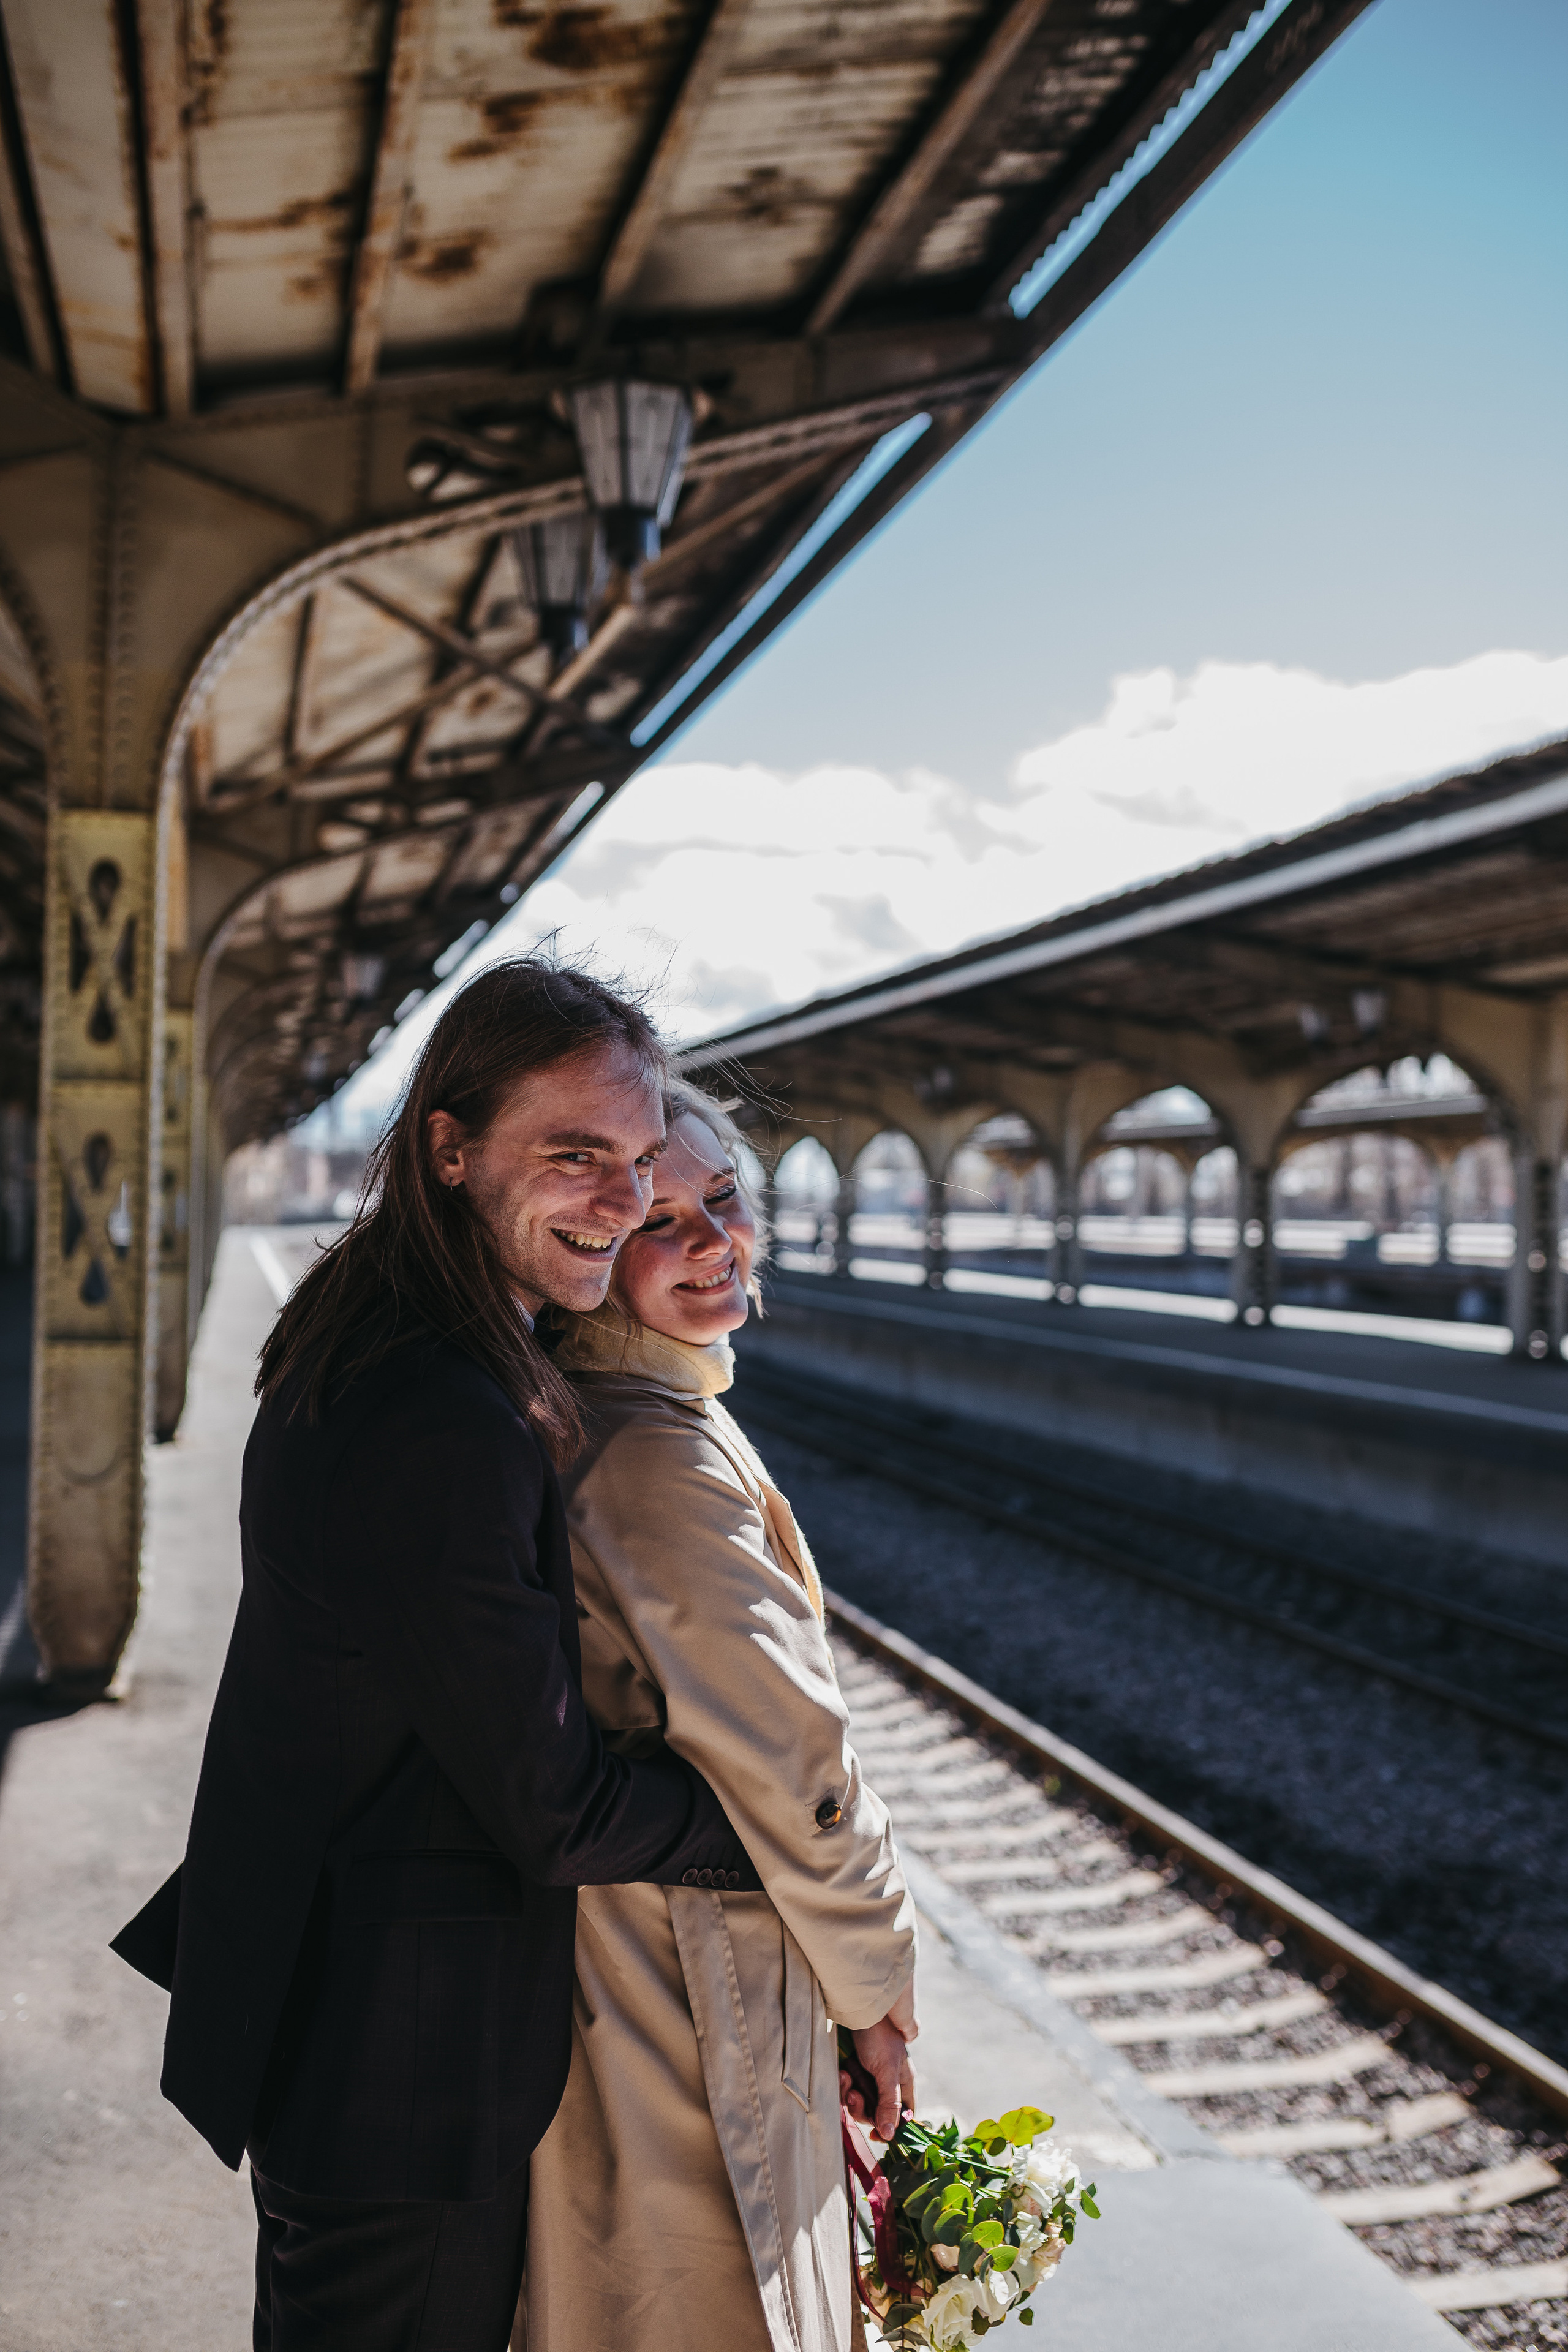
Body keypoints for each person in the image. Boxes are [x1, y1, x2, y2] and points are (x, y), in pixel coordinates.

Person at [111, 961, 764, 2352]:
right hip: (398, 2069)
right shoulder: (441, 1413)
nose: (626, 1201)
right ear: (449, 1146)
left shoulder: (395, 1333)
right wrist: (766, 1832)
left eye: (641, 1162)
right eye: (574, 1155)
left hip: (347, 2017)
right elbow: (555, 1806)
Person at [521, 1080, 917, 2352]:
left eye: (722, 1200)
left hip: (645, 1969)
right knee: (707, 2298)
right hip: (692, 1992)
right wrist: (881, 1987)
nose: (706, 1242)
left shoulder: (647, 1414)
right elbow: (795, 1768)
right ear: (591, 1254)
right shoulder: (655, 1454)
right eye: (654, 1221)